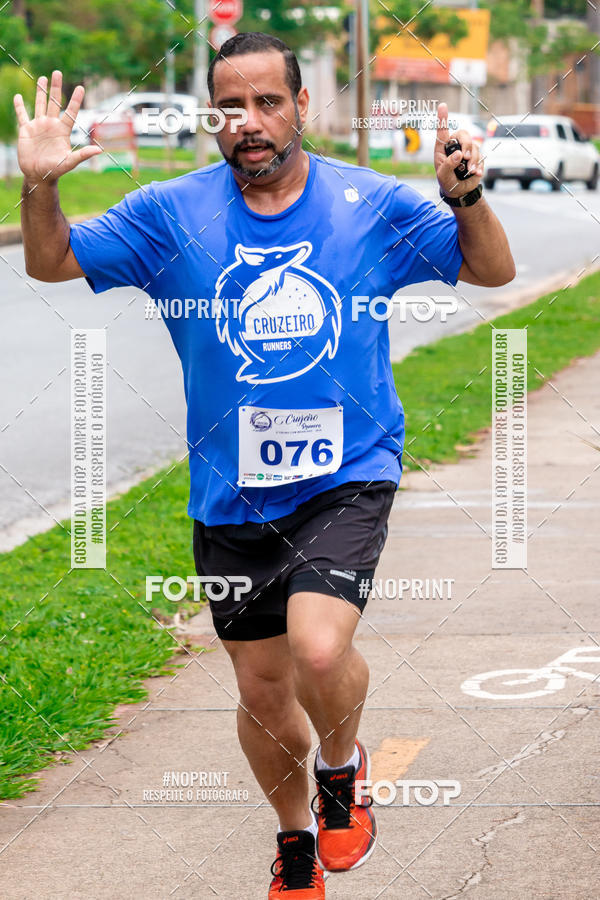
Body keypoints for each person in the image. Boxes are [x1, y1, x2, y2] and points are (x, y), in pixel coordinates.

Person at [14, 32, 515, 898]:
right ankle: (295, 840)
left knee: (318, 650)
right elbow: (50, 260)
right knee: (261, 692)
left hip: (346, 471)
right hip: (231, 493)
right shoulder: (170, 212)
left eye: (267, 102)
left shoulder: (367, 203)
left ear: (301, 105)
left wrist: (465, 195)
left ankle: (341, 768)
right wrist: (40, 185)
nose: (247, 122)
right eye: (229, 107)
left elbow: (493, 269)